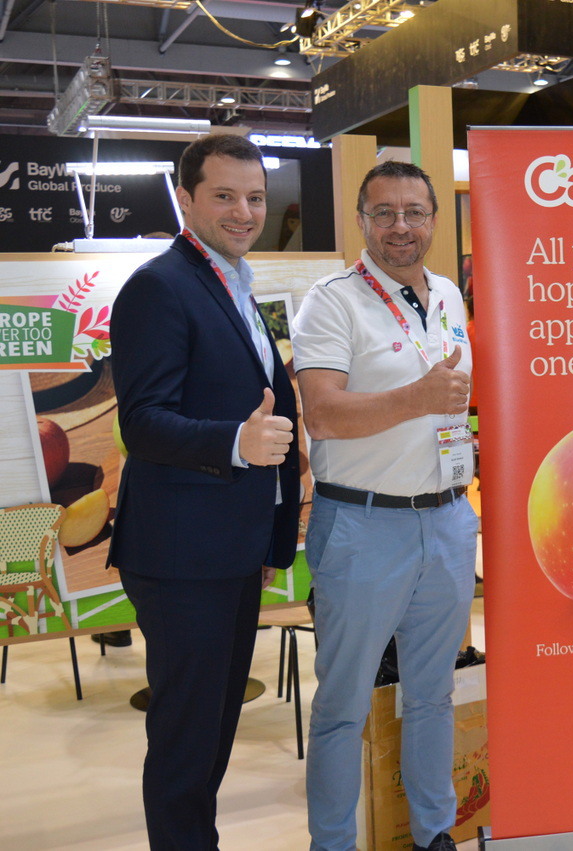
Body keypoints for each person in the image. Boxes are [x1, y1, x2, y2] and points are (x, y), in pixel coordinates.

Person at [108, 133, 301, 849]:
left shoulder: (236, 283)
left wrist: (269, 536)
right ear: (185, 199)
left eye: (255, 197)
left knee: (213, 727)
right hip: (181, 555)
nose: (244, 212)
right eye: (224, 195)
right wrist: (234, 442)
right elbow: (142, 421)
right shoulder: (160, 286)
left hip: (229, 548)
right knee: (187, 740)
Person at [291, 160, 476, 851]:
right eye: (385, 212)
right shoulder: (332, 301)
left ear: (434, 219)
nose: (402, 225)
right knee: (343, 704)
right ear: (362, 221)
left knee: (433, 694)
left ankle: (433, 833)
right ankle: (333, 843)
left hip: (448, 520)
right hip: (362, 525)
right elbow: (322, 414)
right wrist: (415, 400)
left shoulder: (449, 295)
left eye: (415, 211)